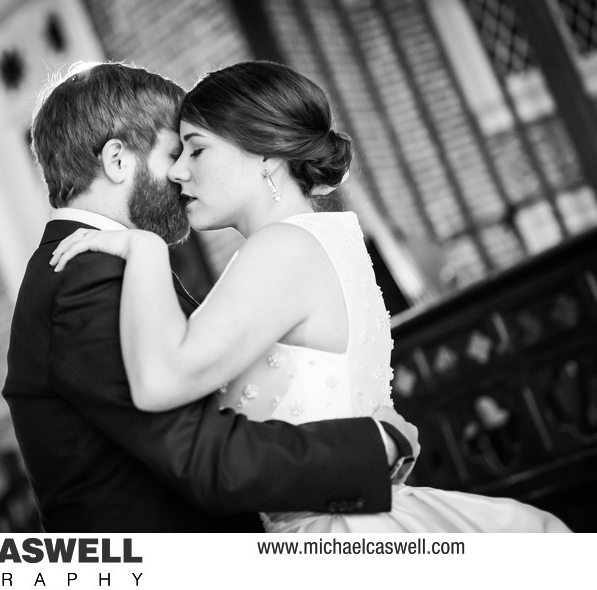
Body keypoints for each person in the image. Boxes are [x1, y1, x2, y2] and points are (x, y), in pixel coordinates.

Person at [51, 61, 571, 533]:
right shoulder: (324, 238)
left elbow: (161, 382)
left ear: (267, 156)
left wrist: (144, 250)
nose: (179, 171)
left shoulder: (282, 249)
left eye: (197, 148)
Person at [2, 62, 418, 533]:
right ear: (118, 160)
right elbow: (201, 454)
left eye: (194, 151)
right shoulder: (86, 279)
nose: (181, 173)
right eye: (176, 151)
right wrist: (373, 447)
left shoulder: (106, 267)